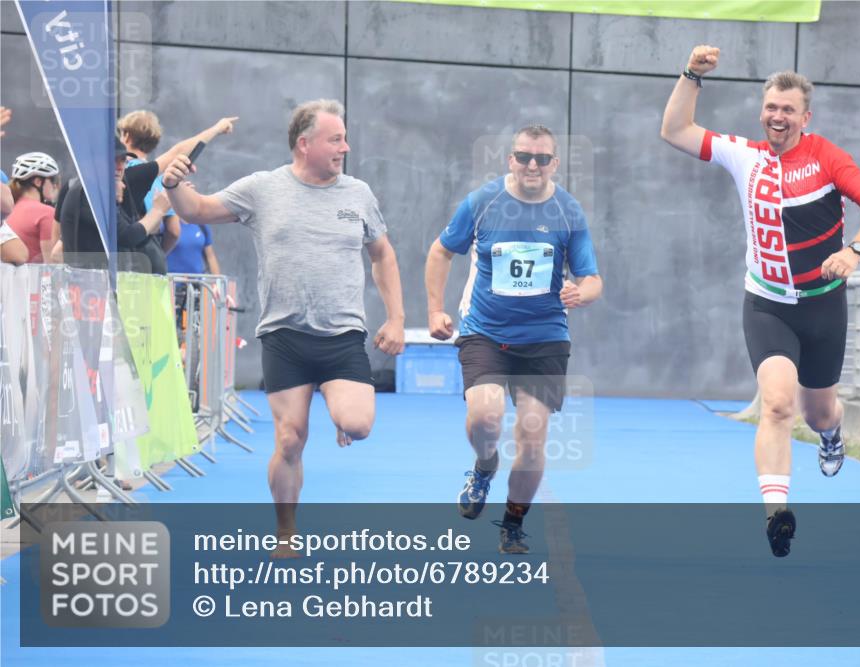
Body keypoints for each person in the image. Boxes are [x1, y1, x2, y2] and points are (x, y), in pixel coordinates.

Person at [660, 45, 860, 557]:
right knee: (776, 402)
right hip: (767, 304)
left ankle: (832, 435)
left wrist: (854, 251)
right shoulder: (744, 156)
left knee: (818, 412)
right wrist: (691, 75)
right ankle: (777, 513)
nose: (777, 116)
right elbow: (676, 130)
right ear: (762, 112)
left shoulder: (827, 157)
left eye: (788, 110)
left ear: (804, 118)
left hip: (823, 306)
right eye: (771, 107)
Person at [162, 99, 405, 550]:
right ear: (303, 144)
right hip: (284, 336)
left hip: (341, 334)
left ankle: (338, 405)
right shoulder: (262, 189)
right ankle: (287, 530)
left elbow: (383, 254)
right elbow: (196, 209)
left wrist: (396, 317)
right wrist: (173, 185)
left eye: (345, 139)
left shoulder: (358, 194)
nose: (345, 148)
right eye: (336, 139)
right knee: (290, 439)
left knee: (357, 424)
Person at [425, 125, 603, 554]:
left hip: (544, 338)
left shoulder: (568, 211)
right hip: (485, 331)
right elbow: (440, 251)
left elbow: (593, 278)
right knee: (485, 420)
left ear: (555, 164)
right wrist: (434, 309)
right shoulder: (483, 203)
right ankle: (484, 466)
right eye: (524, 156)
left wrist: (583, 292)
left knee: (532, 433)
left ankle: (512, 522)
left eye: (542, 159)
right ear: (510, 159)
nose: (532, 166)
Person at [56, 117, 237, 272]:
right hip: (99, 290)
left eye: (122, 160)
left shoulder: (83, 184)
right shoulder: (91, 190)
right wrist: (158, 210)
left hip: (106, 286)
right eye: (113, 160)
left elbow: (56, 242)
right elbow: (131, 235)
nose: (120, 167)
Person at [118, 110, 182, 260]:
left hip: (128, 258)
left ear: (126, 136)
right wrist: (158, 254)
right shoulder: (162, 180)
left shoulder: (123, 173)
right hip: (153, 259)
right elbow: (174, 231)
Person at [5, 152, 60, 263]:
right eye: (53, 180)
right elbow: (52, 264)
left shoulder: (9, 209)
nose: (56, 185)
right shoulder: (46, 213)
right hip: (31, 280)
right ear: (38, 182)